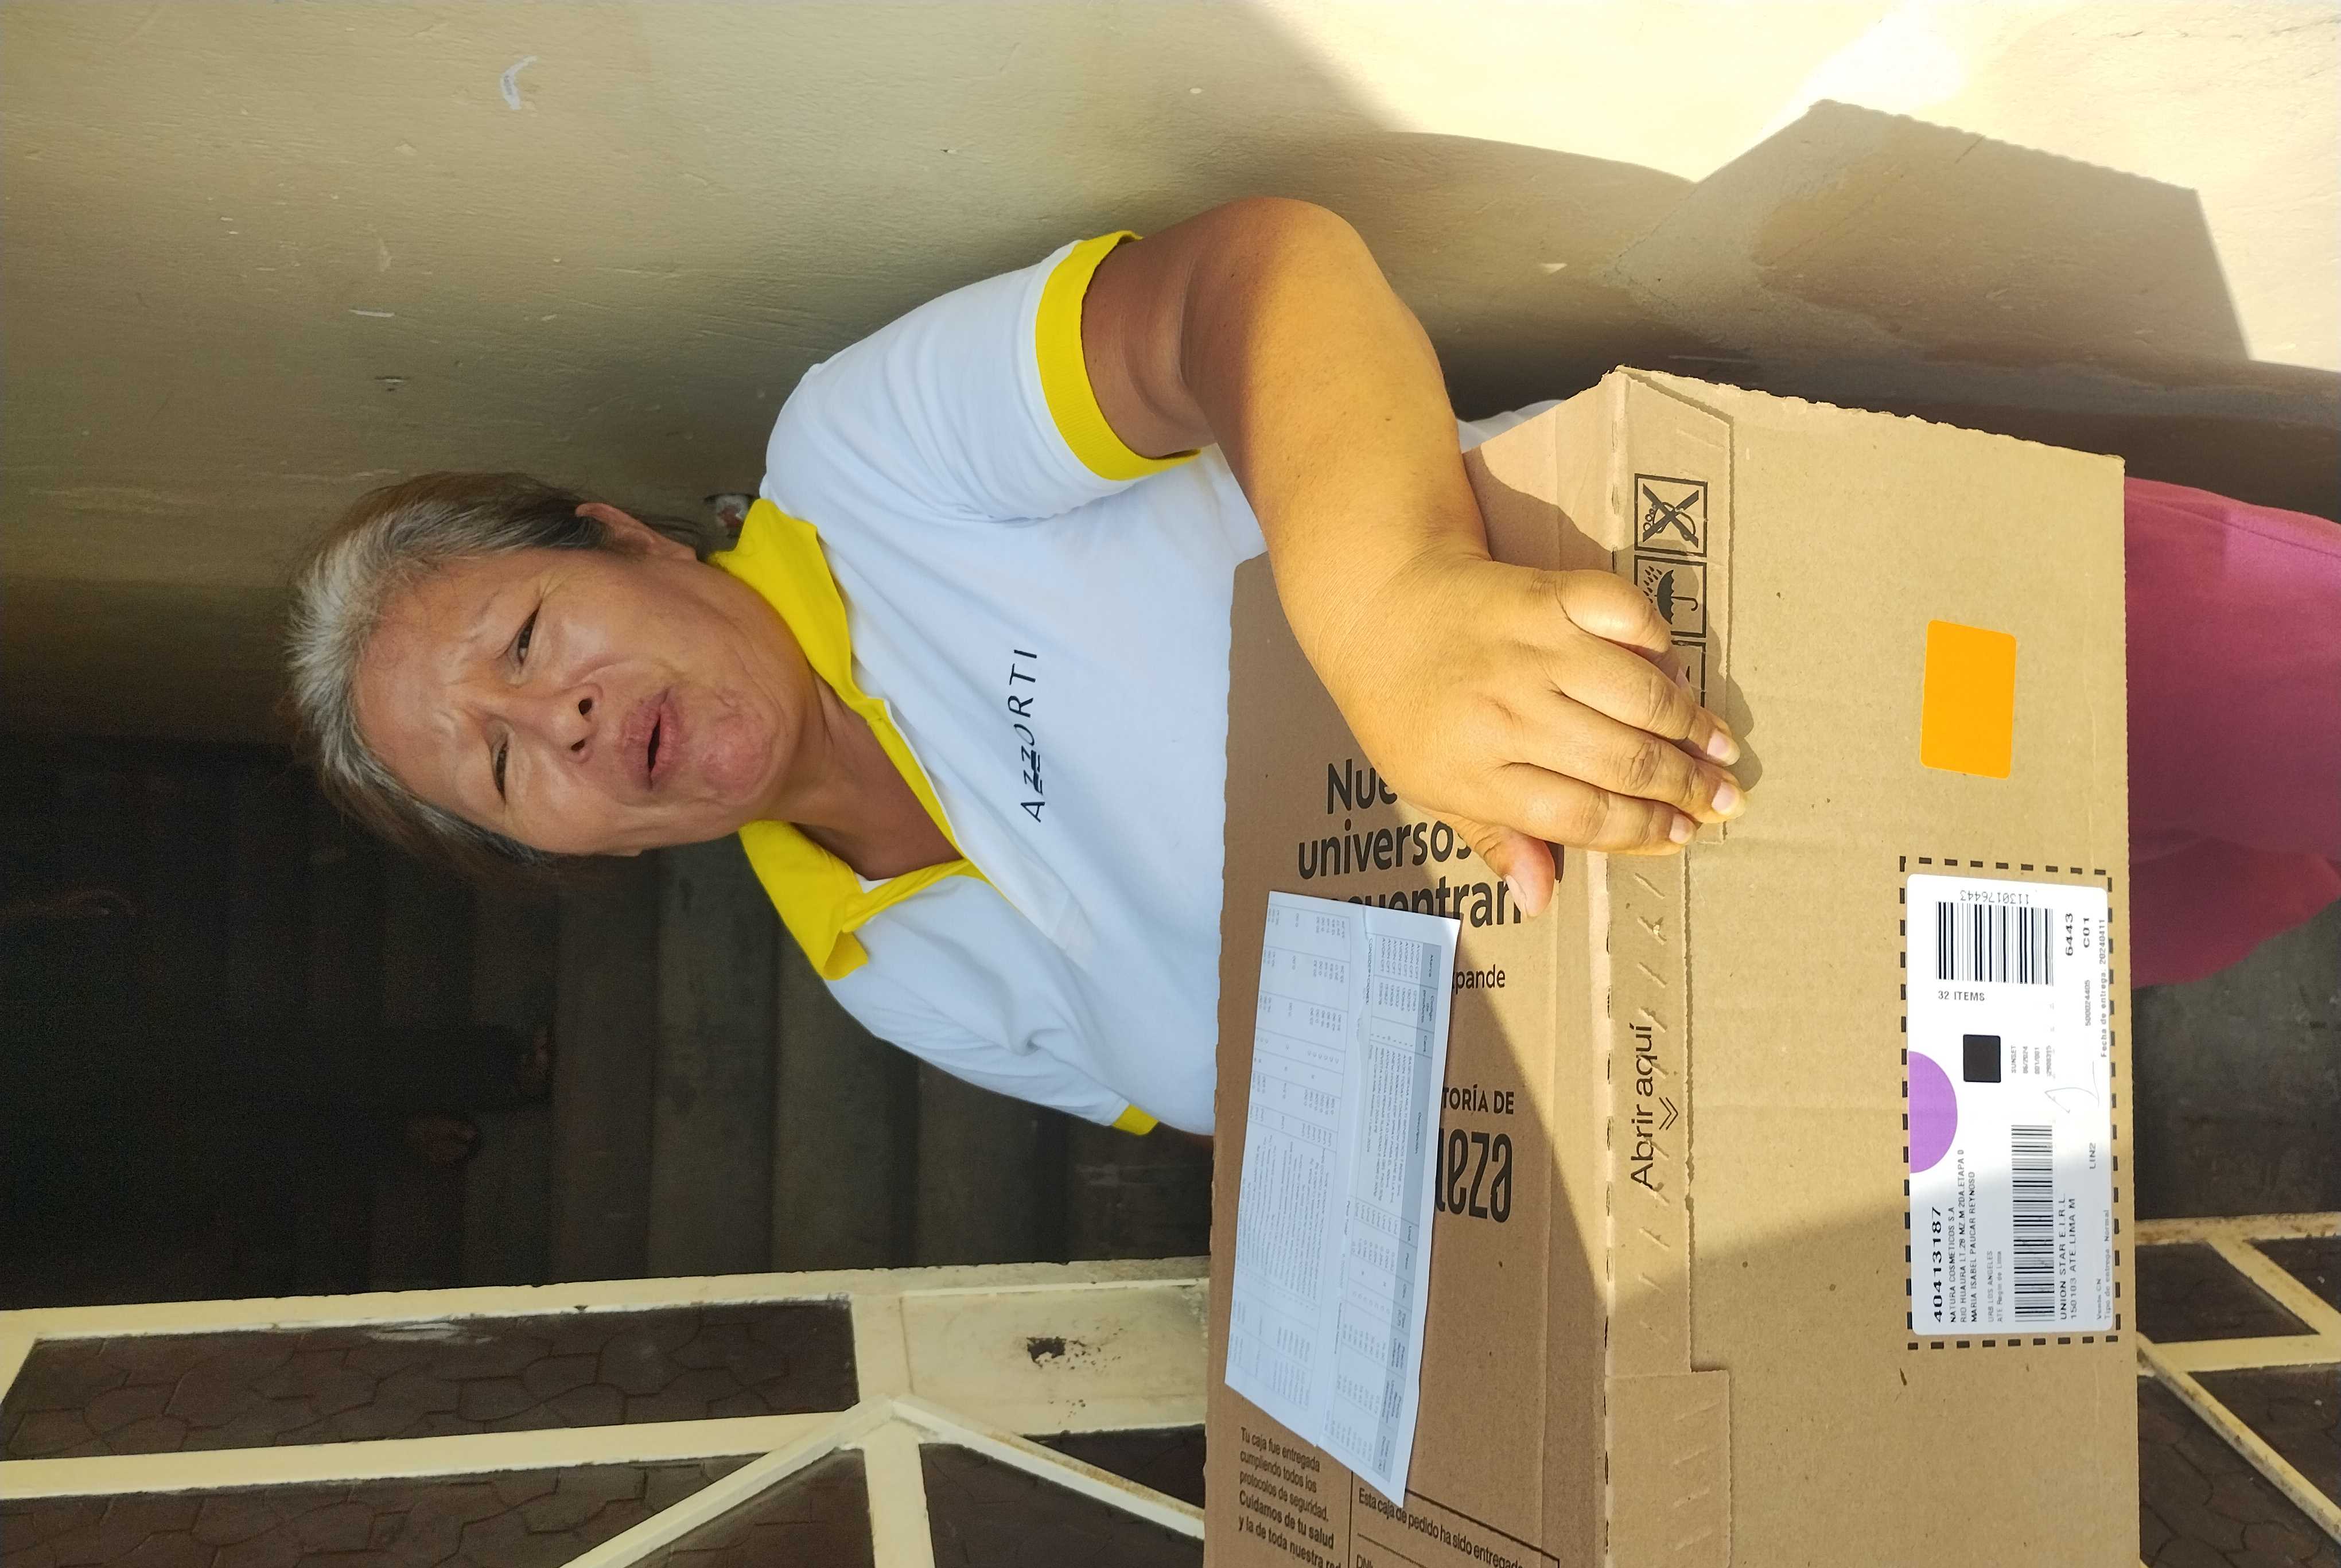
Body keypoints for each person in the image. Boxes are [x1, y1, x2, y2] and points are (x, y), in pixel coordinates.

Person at [286, 199, 2338, 1137]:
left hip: (1810, 652)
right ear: (570, 853)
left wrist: (1400, 622)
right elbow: (1264, 1112)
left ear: (628, 539)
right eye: (503, 769)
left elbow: (1256, 281)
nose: (559, 721)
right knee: (2239, 891)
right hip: (1794, 996)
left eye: (528, 643)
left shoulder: (864, 466)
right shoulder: (883, 976)